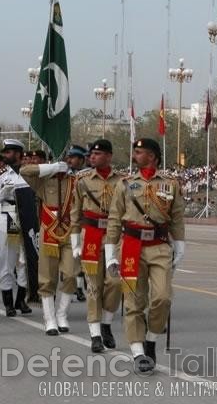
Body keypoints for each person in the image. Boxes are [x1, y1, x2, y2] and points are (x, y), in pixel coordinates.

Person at [105, 138, 185, 374]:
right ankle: (139, 352)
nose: (135, 156)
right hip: (130, 245)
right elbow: (113, 218)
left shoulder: (170, 184)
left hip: (159, 247)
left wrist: (180, 245)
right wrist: (111, 253)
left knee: (162, 297)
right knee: (133, 302)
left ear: (152, 156)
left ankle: (151, 337)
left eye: (139, 152)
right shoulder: (125, 184)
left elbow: (177, 217)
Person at [70, 139, 124, 352]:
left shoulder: (122, 181)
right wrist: (75, 241)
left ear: (109, 156)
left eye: (98, 154)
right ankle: (95, 335)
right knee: (93, 286)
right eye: (91, 154)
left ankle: (107, 323)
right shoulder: (82, 180)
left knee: (115, 282)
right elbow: (75, 212)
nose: (92, 157)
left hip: (114, 237)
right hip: (90, 234)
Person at [21, 156, 79, 336]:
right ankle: (50, 318)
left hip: (70, 230)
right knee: (47, 277)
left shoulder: (76, 182)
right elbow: (24, 171)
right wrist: (50, 168)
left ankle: (62, 314)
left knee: (70, 275)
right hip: (49, 230)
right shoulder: (44, 181)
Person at [0, 139, 32, 317]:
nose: (5, 155)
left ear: (17, 154)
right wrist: (3, 192)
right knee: (7, 260)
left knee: (25, 261)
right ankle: (8, 303)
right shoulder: (0, 174)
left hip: (27, 216)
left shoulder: (28, 172)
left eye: (8, 152)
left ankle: (21, 298)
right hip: (8, 216)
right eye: (5, 152)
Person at [65, 144, 88, 302]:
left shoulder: (87, 176)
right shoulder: (64, 175)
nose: (69, 160)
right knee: (70, 256)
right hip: (66, 220)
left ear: (81, 159)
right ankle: (72, 286)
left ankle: (79, 287)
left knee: (81, 255)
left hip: (83, 221)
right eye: (69, 157)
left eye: (72, 158)